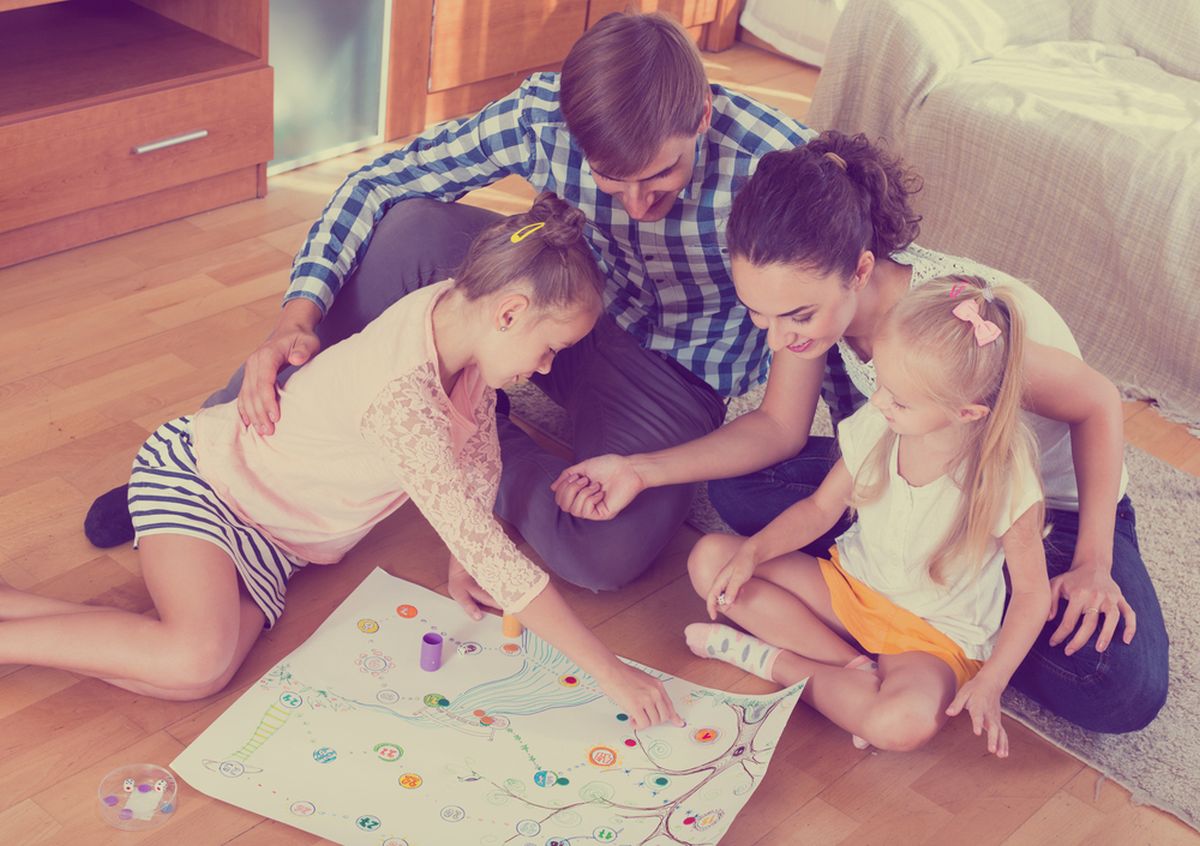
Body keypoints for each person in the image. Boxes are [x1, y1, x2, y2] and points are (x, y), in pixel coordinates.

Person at [84, 11, 812, 594]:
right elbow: (379, 184)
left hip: (672, 372)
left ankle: (460, 443)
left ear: (705, 114)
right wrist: (295, 316)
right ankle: (214, 456)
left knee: (604, 553)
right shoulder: (540, 117)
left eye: (660, 175)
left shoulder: (779, 166)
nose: (638, 203)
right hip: (551, 301)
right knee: (411, 232)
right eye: (611, 182)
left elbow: (834, 315)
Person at [552, 131, 1168, 733]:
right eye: (760, 316)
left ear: (860, 269)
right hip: (907, 463)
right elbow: (776, 428)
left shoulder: (960, 333)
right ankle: (884, 623)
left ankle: (948, 637)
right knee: (737, 488)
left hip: (1044, 510)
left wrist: (1092, 563)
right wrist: (641, 468)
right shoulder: (813, 310)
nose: (778, 337)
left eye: (795, 316)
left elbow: (1099, 403)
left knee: (1116, 688)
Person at [1, 195, 681, 729]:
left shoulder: (459, 326)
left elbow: (475, 456)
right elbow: (491, 547)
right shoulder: (400, 396)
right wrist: (610, 673)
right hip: (210, 482)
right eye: (551, 348)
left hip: (277, 541)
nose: (546, 367)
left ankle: (14, 610)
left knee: (200, 673)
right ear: (509, 312)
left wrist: (458, 554)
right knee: (195, 659)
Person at [686, 276, 1048, 755]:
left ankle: (776, 664)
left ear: (966, 413)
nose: (878, 402)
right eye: (881, 382)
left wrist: (993, 682)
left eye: (898, 399)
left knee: (900, 725)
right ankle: (853, 669)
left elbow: (1031, 594)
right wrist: (752, 553)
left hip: (933, 638)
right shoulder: (881, 424)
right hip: (850, 589)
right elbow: (819, 509)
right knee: (711, 560)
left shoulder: (1005, 476)